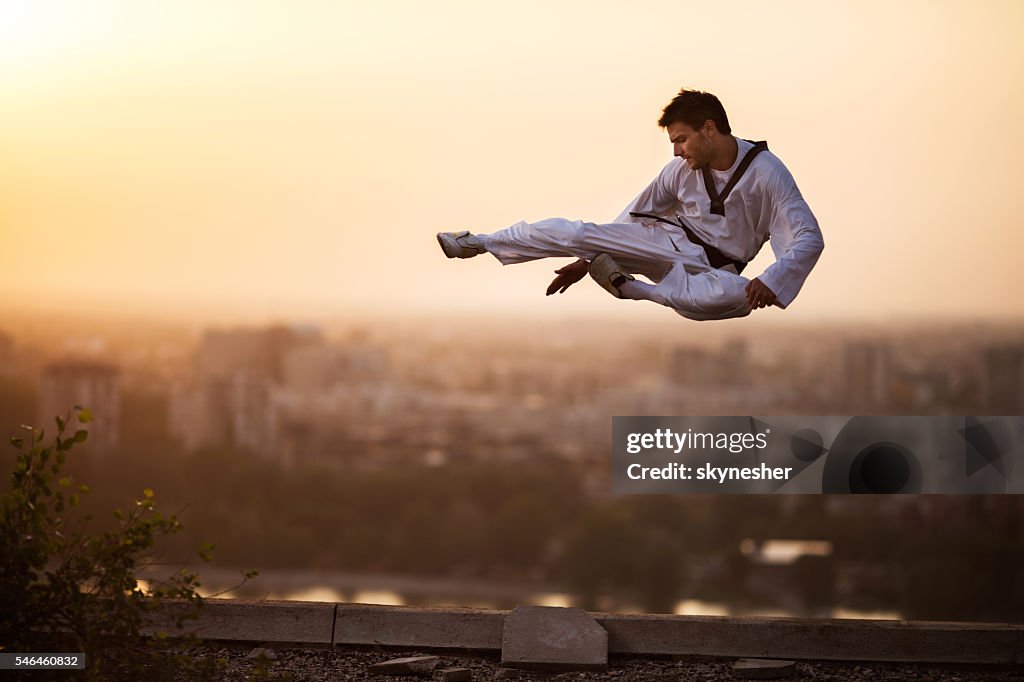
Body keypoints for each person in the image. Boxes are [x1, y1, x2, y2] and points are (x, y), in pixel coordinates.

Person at [436, 88, 824, 321]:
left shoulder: (767, 173)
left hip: (711, 271)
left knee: (733, 300)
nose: (676, 150)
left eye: (682, 139)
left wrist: (772, 279)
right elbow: (633, 218)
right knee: (579, 233)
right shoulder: (678, 171)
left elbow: (807, 236)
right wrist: (587, 258)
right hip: (662, 242)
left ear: (709, 128)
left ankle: (627, 289)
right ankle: (478, 242)